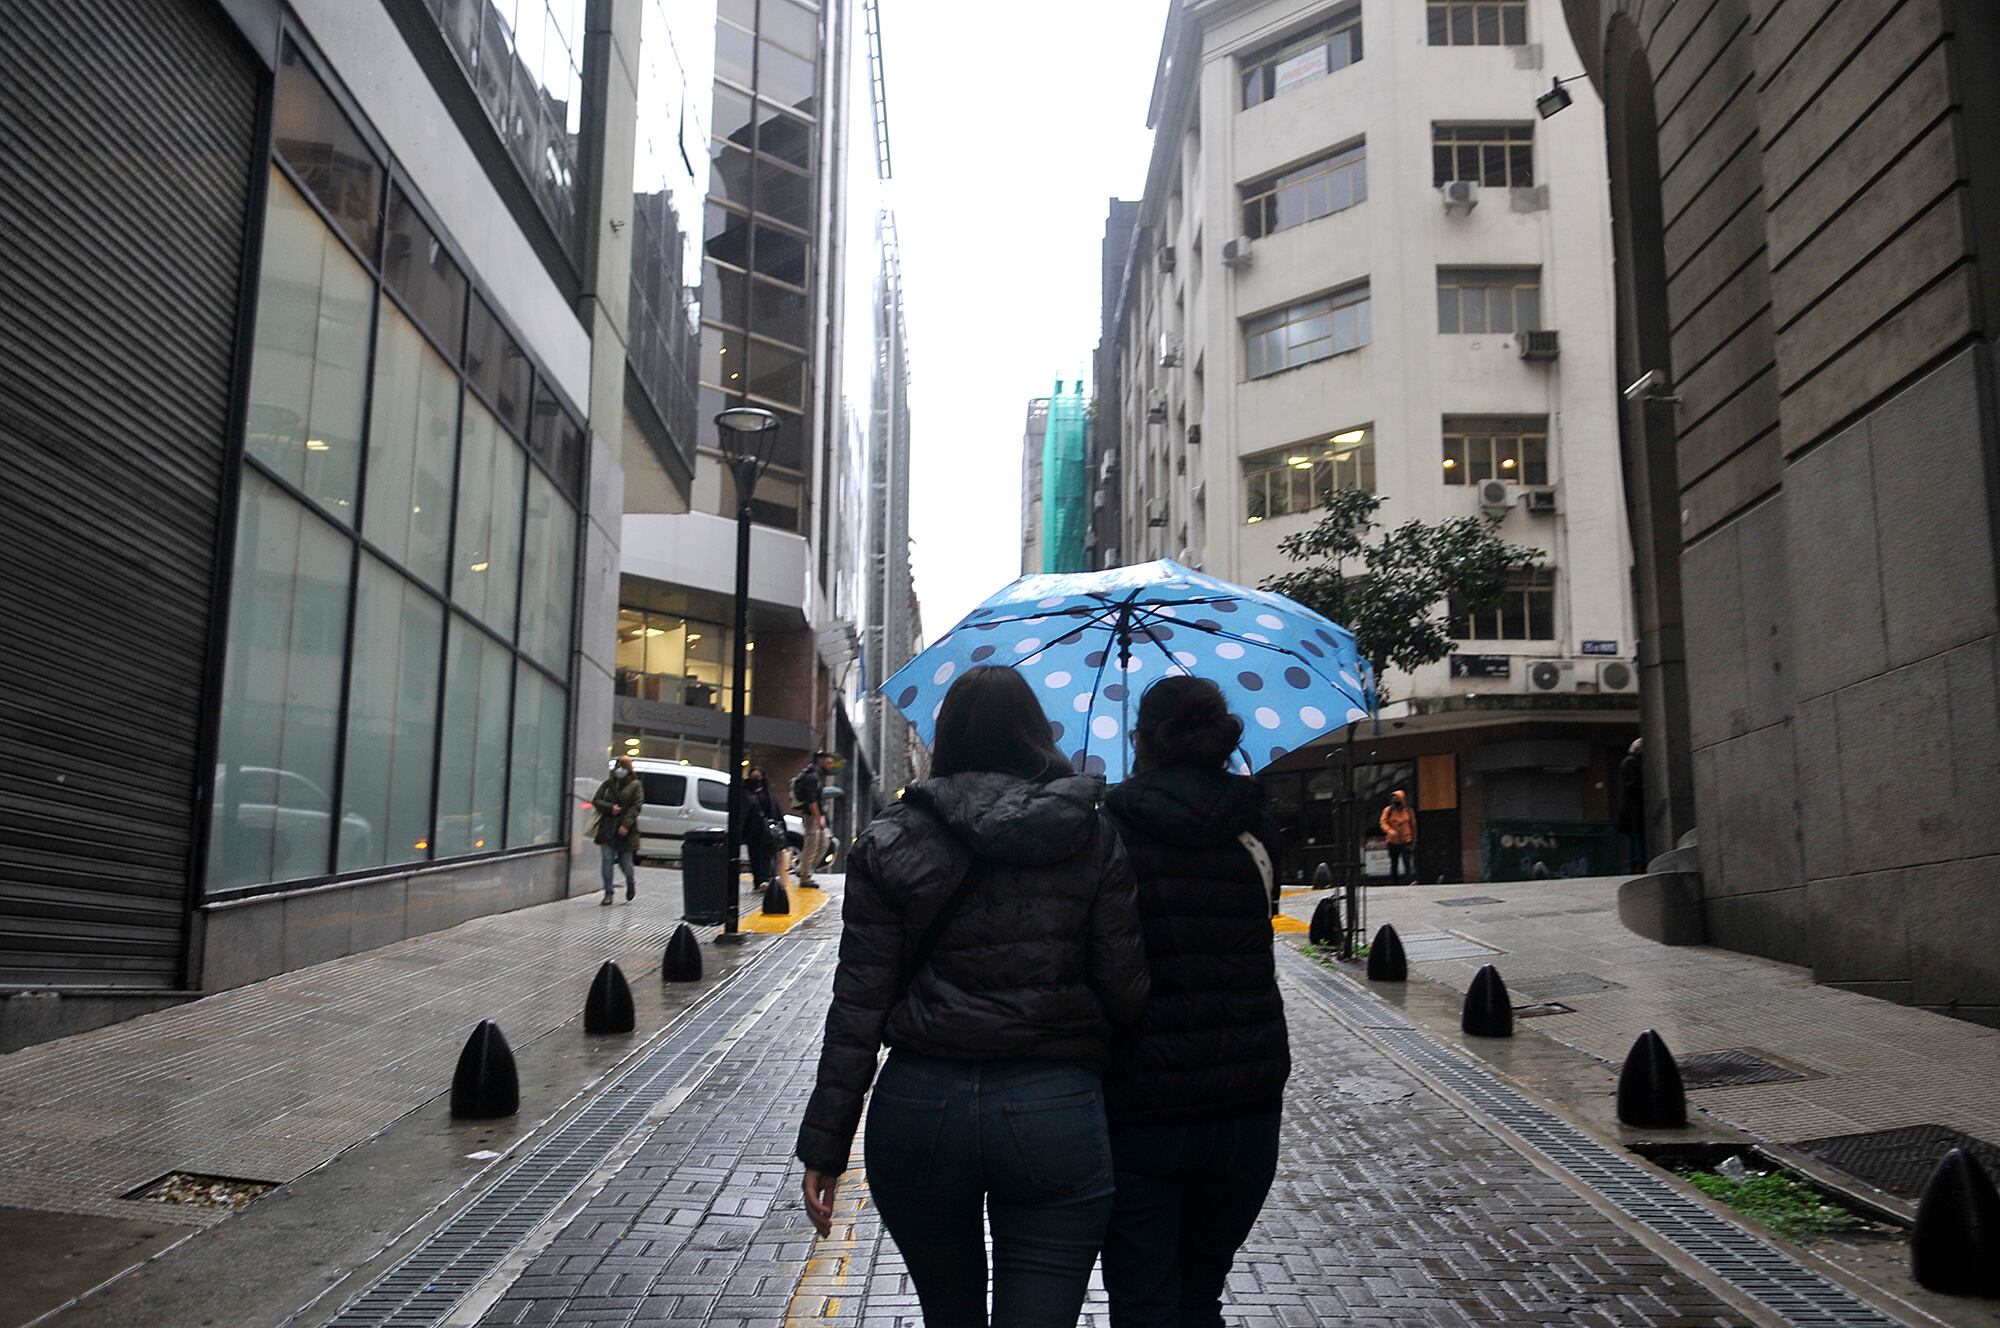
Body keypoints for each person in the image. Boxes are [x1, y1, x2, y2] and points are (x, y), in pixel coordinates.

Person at [796, 665, 1148, 1325]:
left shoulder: (890, 838)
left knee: (947, 1314)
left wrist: (825, 1145)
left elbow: (858, 1007)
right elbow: (1126, 992)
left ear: (945, 737)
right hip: (1052, 1105)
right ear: (1034, 734)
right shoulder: (1090, 834)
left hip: (921, 1106)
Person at [1100, 676, 1289, 1326]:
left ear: (1142, 741)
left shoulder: (1112, 828)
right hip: (1248, 1103)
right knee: (1199, 1294)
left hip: (1141, 1104)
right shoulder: (1255, 825)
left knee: (1145, 1298)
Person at [591, 757, 645, 905]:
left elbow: (636, 806)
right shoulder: (608, 784)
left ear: (628, 769)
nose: (619, 770)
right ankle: (608, 892)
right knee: (607, 861)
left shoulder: (635, 785)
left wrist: (626, 825)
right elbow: (596, 800)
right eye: (617, 766)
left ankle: (630, 883)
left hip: (626, 831)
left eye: (622, 767)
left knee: (625, 862)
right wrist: (610, 808)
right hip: (607, 828)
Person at [791, 751, 834, 887]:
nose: (830, 766)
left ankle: (804, 869)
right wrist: (818, 818)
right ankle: (805, 876)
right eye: (828, 763)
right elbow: (811, 801)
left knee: (823, 844)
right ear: (820, 762)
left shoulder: (817, 777)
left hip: (817, 815)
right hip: (811, 817)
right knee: (811, 846)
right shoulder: (812, 778)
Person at [741, 766, 783, 891]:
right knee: (754, 855)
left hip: (767, 829)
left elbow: (775, 810)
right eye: (754, 777)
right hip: (752, 829)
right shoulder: (745, 791)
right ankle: (758, 880)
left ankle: (765, 879)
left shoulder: (767, 792)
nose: (757, 780)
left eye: (759, 777)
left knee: (766, 855)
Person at [1618, 737, 1646, 872]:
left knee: (1633, 836)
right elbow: (1634, 784)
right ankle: (1637, 863)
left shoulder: (1627, 762)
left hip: (1629, 807)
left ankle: (1634, 863)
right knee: (1636, 836)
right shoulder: (1632, 762)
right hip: (1633, 807)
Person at [1380, 789, 1416, 884]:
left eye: (1399, 801)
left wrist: (1414, 839)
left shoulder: (1408, 811)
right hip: (1393, 841)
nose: (1397, 804)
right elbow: (1383, 822)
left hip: (1406, 840)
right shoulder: (1388, 810)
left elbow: (1413, 825)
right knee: (1394, 862)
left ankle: (1408, 880)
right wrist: (1389, 831)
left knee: (1407, 861)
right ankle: (1394, 881)